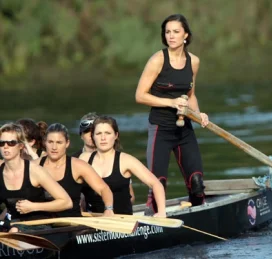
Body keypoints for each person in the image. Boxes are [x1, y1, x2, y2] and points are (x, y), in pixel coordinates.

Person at [135, 14, 209, 215]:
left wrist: (199, 113)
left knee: (196, 182)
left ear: (186, 34)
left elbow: (190, 95)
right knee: (158, 184)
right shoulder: (158, 60)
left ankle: (200, 217)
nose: (171, 36)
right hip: (160, 129)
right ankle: (155, 220)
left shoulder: (193, 61)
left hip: (185, 130)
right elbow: (140, 95)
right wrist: (170, 102)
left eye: (176, 32)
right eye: (168, 32)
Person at [79, 116, 166, 216]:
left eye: (108, 133)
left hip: (123, 222)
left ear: (116, 135)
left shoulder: (126, 160)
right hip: (93, 221)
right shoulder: (84, 159)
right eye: (98, 134)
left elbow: (156, 184)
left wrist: (162, 212)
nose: (103, 138)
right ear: (93, 136)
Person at [0, 123, 72, 232]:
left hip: (39, 226)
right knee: (13, 229)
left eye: (11, 143)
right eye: (2, 143)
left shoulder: (35, 171)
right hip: (12, 224)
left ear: (21, 146)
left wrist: (33, 206)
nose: (6, 146)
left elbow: (66, 202)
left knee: (14, 230)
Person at [37, 123, 114, 217]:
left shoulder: (78, 166)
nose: (54, 147)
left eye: (59, 143)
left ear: (67, 143)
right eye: (50, 142)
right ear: (45, 142)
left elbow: (103, 189)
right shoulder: (33, 166)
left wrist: (108, 209)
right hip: (41, 225)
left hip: (72, 225)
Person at [73, 112, 135, 205]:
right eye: (86, 131)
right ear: (81, 135)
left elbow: (131, 196)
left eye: (93, 131)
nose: (90, 135)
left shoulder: (118, 159)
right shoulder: (74, 160)